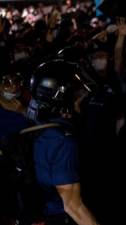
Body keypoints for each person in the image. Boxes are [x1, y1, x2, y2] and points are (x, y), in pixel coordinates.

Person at [30, 59, 99, 225]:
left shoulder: (42, 128)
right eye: (76, 94)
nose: (82, 98)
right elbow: (72, 205)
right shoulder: (62, 141)